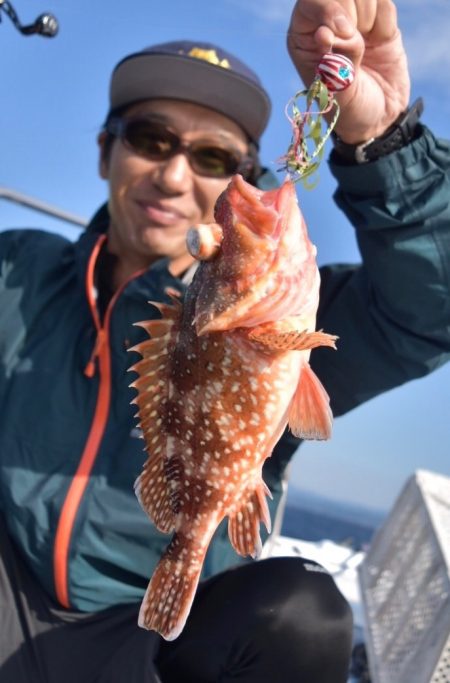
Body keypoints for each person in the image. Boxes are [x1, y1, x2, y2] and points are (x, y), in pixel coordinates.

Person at [0, 0, 449, 681]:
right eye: (151, 137)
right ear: (104, 150)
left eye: (212, 156)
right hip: (12, 590)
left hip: (155, 639)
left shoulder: (287, 317)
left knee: (302, 612)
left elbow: (432, 310)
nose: (175, 176)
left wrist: (383, 140)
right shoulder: (17, 273)